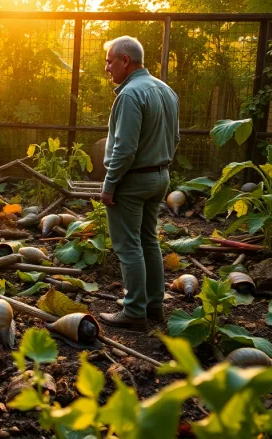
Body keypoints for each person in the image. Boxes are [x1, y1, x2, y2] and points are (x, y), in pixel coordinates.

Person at [97, 36, 180, 331]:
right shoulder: (165, 90)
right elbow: (176, 138)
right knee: (148, 240)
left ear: (125, 61)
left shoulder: (130, 94)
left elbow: (125, 148)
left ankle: (134, 311)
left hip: (133, 180)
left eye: (109, 61)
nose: (107, 67)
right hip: (160, 176)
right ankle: (153, 305)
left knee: (128, 245)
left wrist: (110, 183)